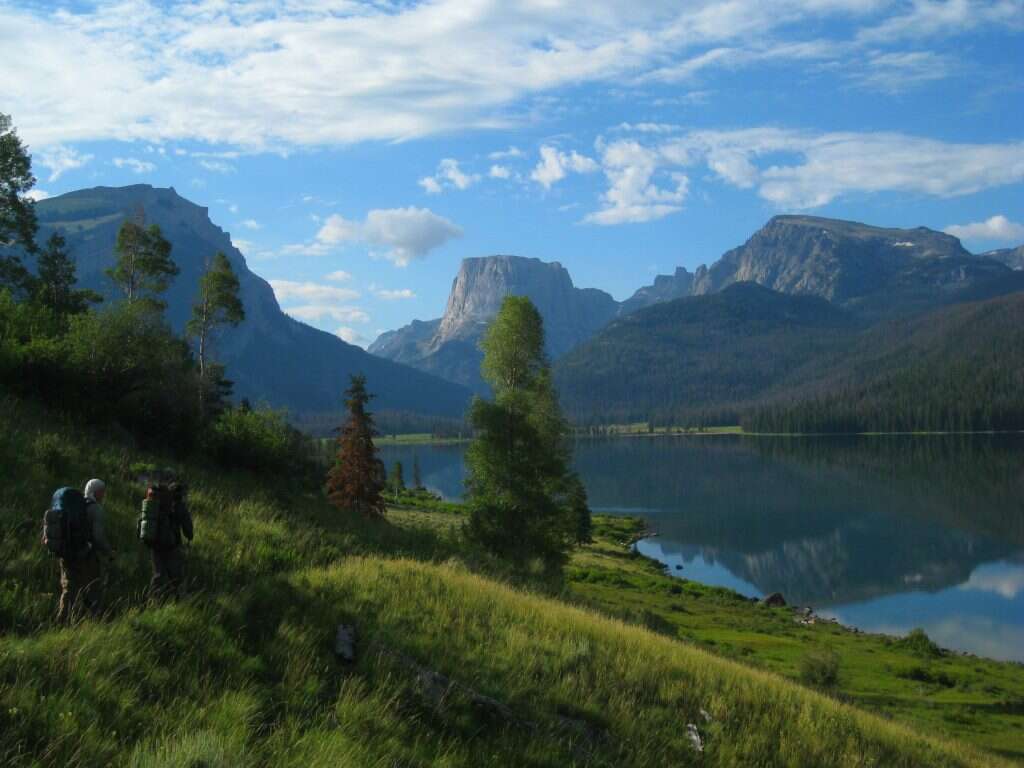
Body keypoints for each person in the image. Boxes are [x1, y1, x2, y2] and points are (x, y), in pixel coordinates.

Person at [56, 478, 115, 624]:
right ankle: (96, 620)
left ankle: (62, 621)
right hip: (86, 557)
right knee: (93, 588)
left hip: (67, 554)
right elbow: (98, 536)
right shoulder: (95, 509)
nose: (104, 494)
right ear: (95, 492)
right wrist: (109, 551)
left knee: (69, 589)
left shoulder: (74, 507)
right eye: (102, 491)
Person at [146, 474, 194, 600]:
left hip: (155, 544)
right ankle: (179, 601)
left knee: (158, 574)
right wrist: (189, 536)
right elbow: (188, 529)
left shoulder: (158, 506)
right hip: (172, 545)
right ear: (181, 494)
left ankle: (153, 601)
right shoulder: (180, 506)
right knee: (176, 575)